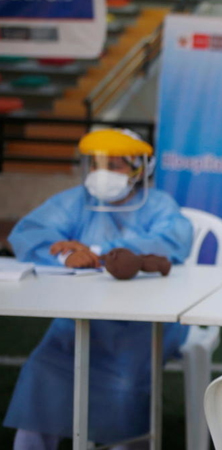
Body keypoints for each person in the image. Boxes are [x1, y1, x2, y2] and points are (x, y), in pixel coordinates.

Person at [3, 129, 193, 450]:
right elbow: (30, 232)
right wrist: (65, 255)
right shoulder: (77, 202)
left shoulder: (158, 205)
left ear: (140, 168)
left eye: (114, 165)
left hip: (144, 325)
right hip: (76, 321)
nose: (101, 173)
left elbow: (173, 241)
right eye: (96, 164)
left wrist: (96, 251)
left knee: (125, 386)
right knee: (43, 370)